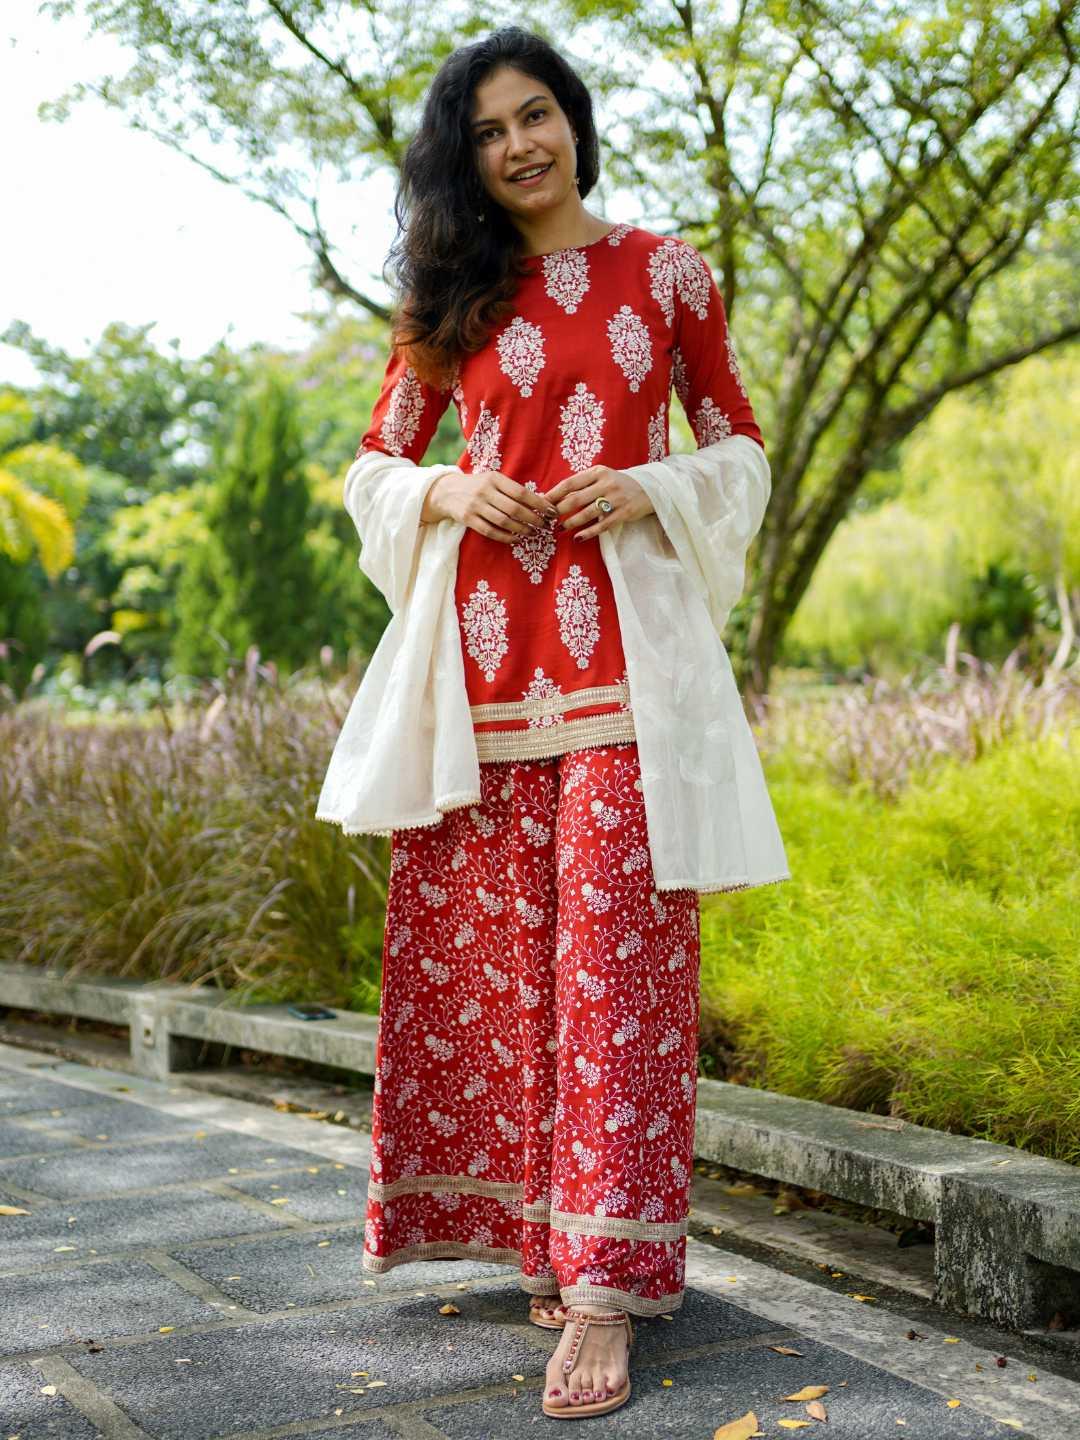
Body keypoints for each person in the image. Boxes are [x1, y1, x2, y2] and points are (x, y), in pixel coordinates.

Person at [316, 24, 790, 1420]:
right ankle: (548, 1233)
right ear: (464, 160)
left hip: (629, 678)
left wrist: (654, 485)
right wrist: (448, 492)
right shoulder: (448, 297)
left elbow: (741, 443)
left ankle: (605, 1288)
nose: (519, 145)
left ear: (575, 120)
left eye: (537, 115)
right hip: (474, 686)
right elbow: (376, 465)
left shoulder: (668, 271)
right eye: (488, 132)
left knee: (617, 974)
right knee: (506, 973)